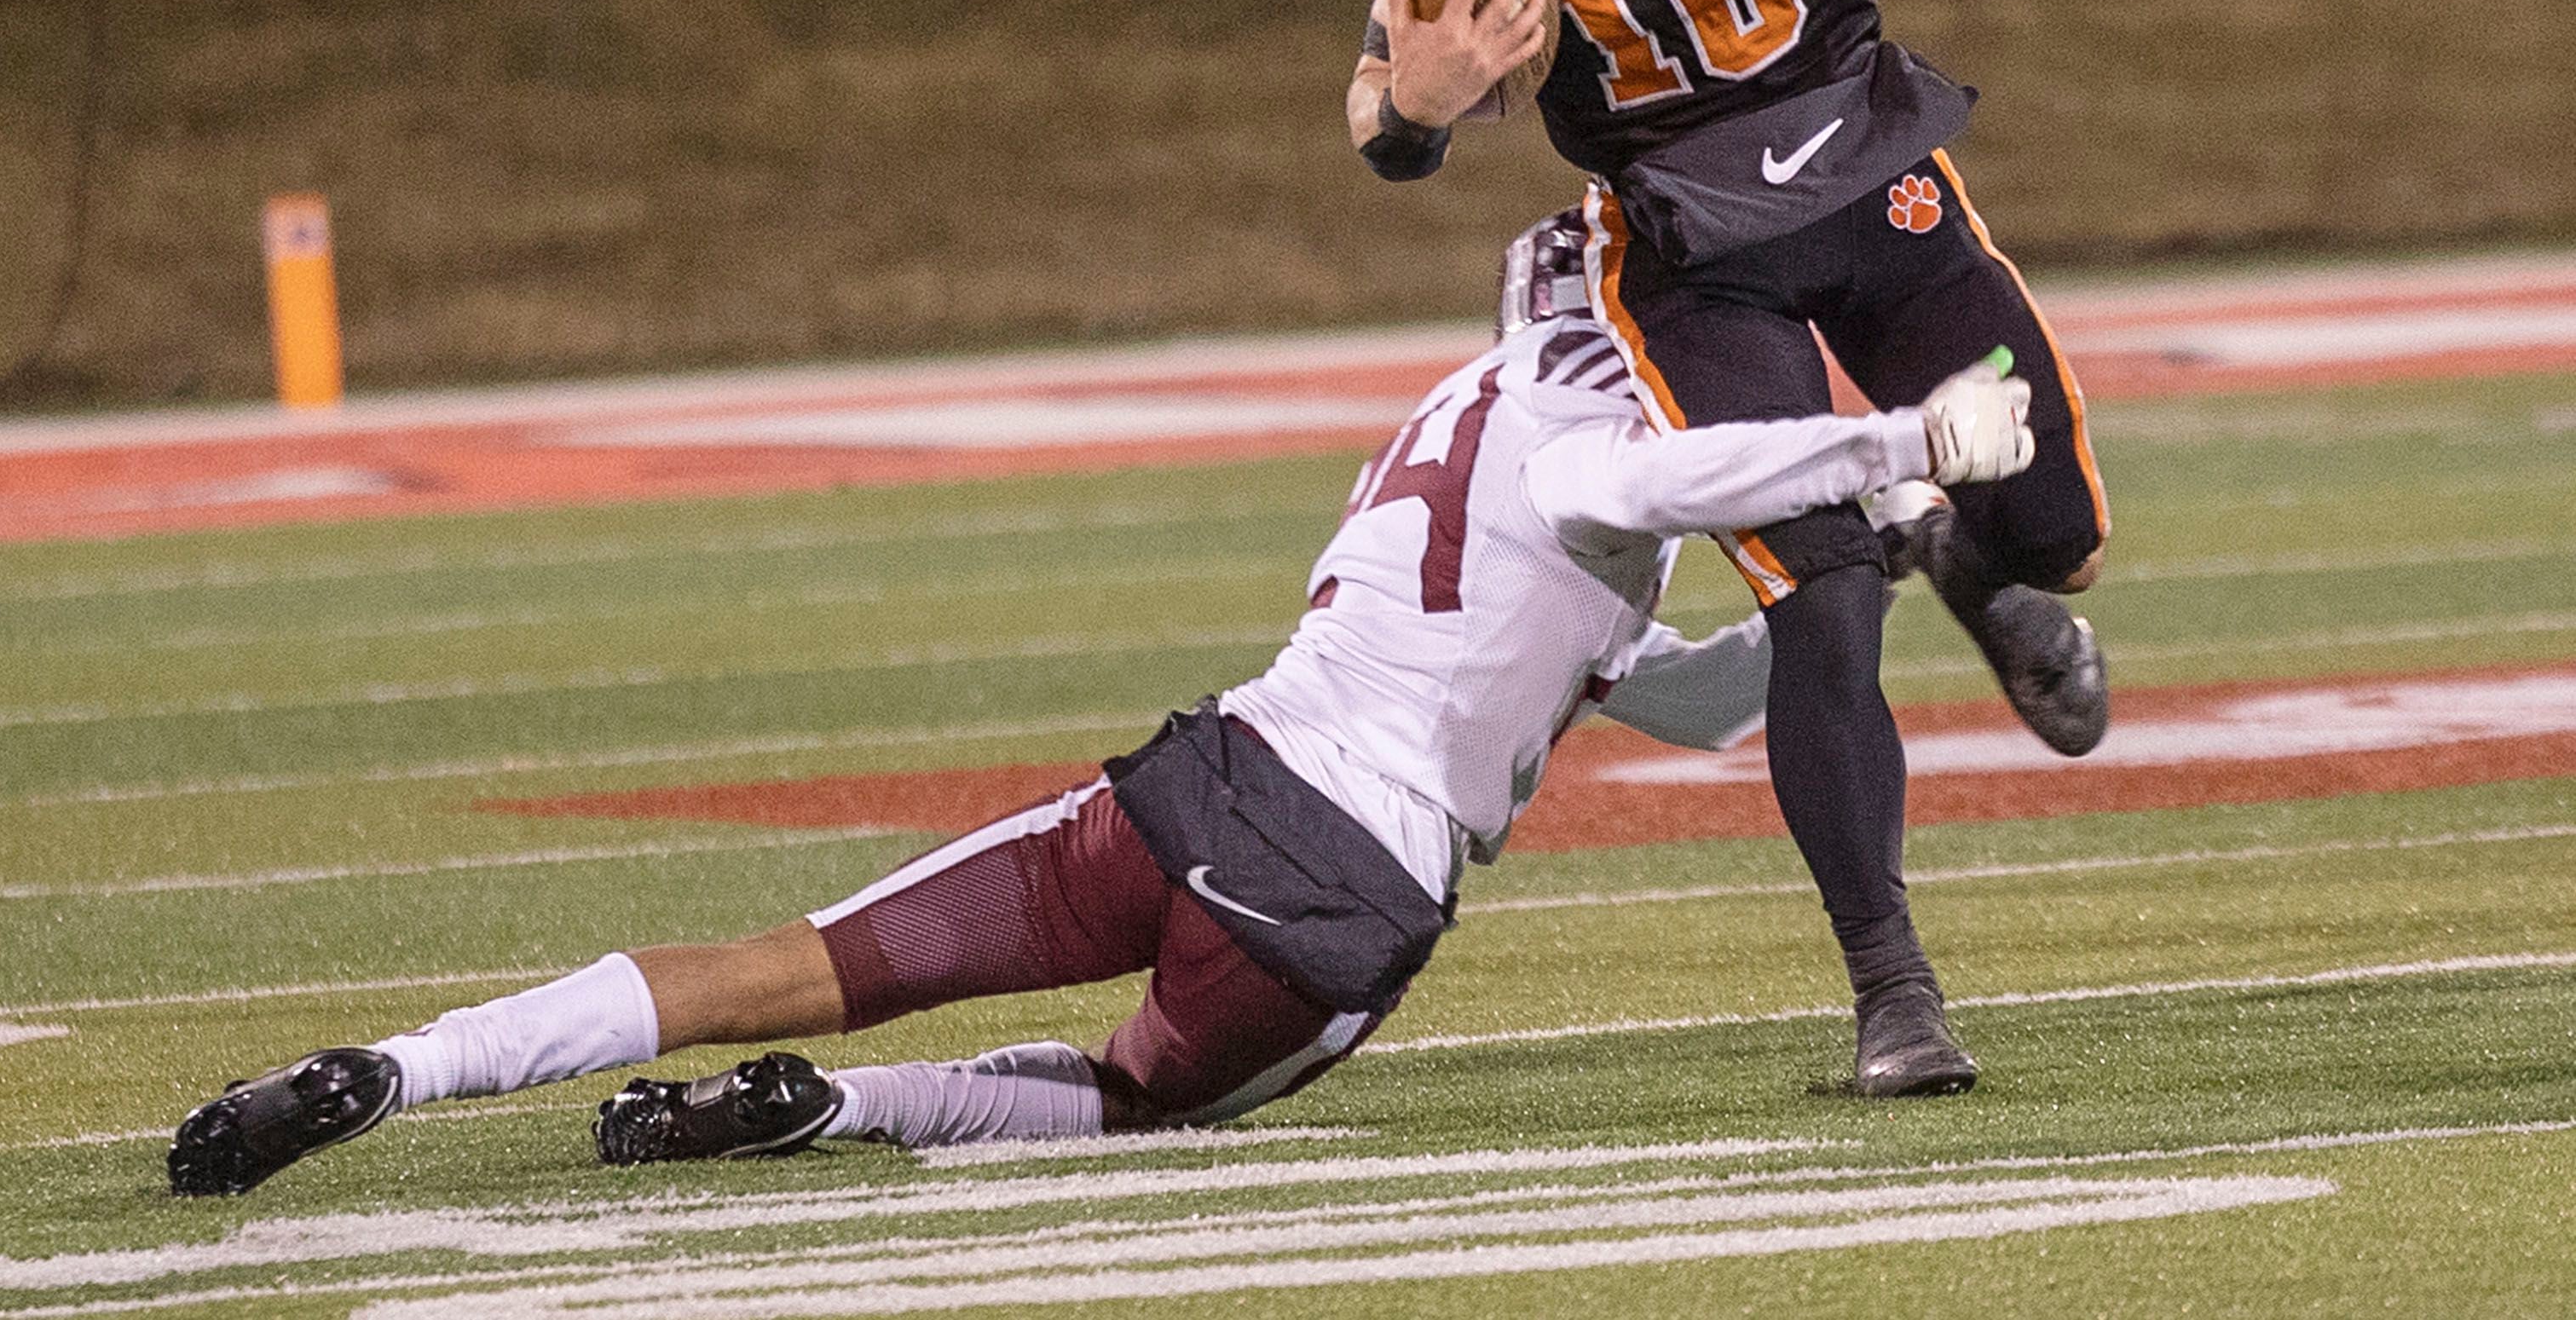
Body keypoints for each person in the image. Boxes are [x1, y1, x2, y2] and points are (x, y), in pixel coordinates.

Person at [1336, 0, 2502, 1087]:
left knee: (2065, 540)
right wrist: (1417, 108)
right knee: (1817, 601)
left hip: (1872, 179)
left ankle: (1961, 542)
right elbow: (1378, 105)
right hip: (1683, 249)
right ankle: (1895, 990)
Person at [166, 212, 2038, 1195]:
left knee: (781, 944)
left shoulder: (1450, 414)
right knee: (1140, 1102)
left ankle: (392, 1067)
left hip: (1200, 785)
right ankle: (828, 1115)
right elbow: (1656, 493)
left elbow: (1690, 698)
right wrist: (1894, 442)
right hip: (1340, 904)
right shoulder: (1596, 437)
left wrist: (1868, 541)